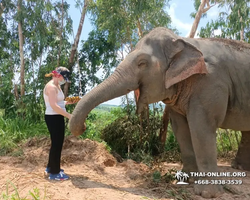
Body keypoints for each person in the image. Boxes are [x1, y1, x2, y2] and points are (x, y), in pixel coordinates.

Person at [43, 66, 75, 180]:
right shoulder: (51, 87)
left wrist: (69, 102)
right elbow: (53, 105)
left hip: (57, 117)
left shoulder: (57, 86)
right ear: (58, 75)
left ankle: (50, 167)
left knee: (56, 144)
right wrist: (69, 116)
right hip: (53, 117)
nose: (63, 80)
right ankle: (55, 174)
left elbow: (59, 102)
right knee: (57, 145)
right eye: (63, 78)